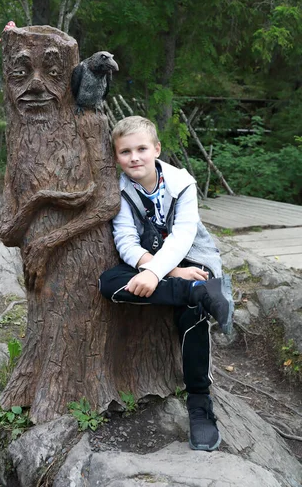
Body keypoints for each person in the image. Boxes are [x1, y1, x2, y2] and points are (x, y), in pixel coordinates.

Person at [99, 115, 234, 452]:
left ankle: (199, 402)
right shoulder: (119, 192)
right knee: (108, 283)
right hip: (159, 267)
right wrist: (167, 274)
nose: (134, 157)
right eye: (125, 151)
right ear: (116, 157)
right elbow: (126, 241)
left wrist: (159, 272)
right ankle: (194, 293)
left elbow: (183, 237)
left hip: (191, 256)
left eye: (142, 148)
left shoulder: (182, 184)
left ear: (156, 149)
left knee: (193, 316)